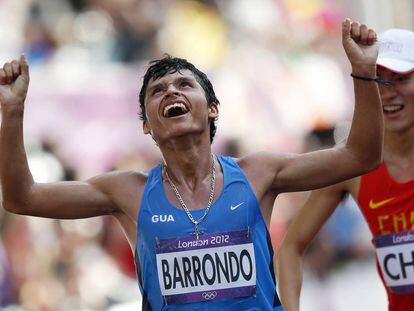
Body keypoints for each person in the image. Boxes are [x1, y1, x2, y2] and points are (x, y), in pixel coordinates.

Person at [0, 19, 382, 310]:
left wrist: (364, 73)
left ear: (212, 108)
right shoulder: (127, 192)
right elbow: (23, 199)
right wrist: (12, 114)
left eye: (184, 84)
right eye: (157, 91)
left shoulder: (258, 173)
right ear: (146, 125)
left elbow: (360, 156)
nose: (170, 91)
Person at [277, 28, 414, 311]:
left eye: (400, 79)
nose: (388, 94)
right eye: (378, 80)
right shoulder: (353, 166)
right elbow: (290, 249)